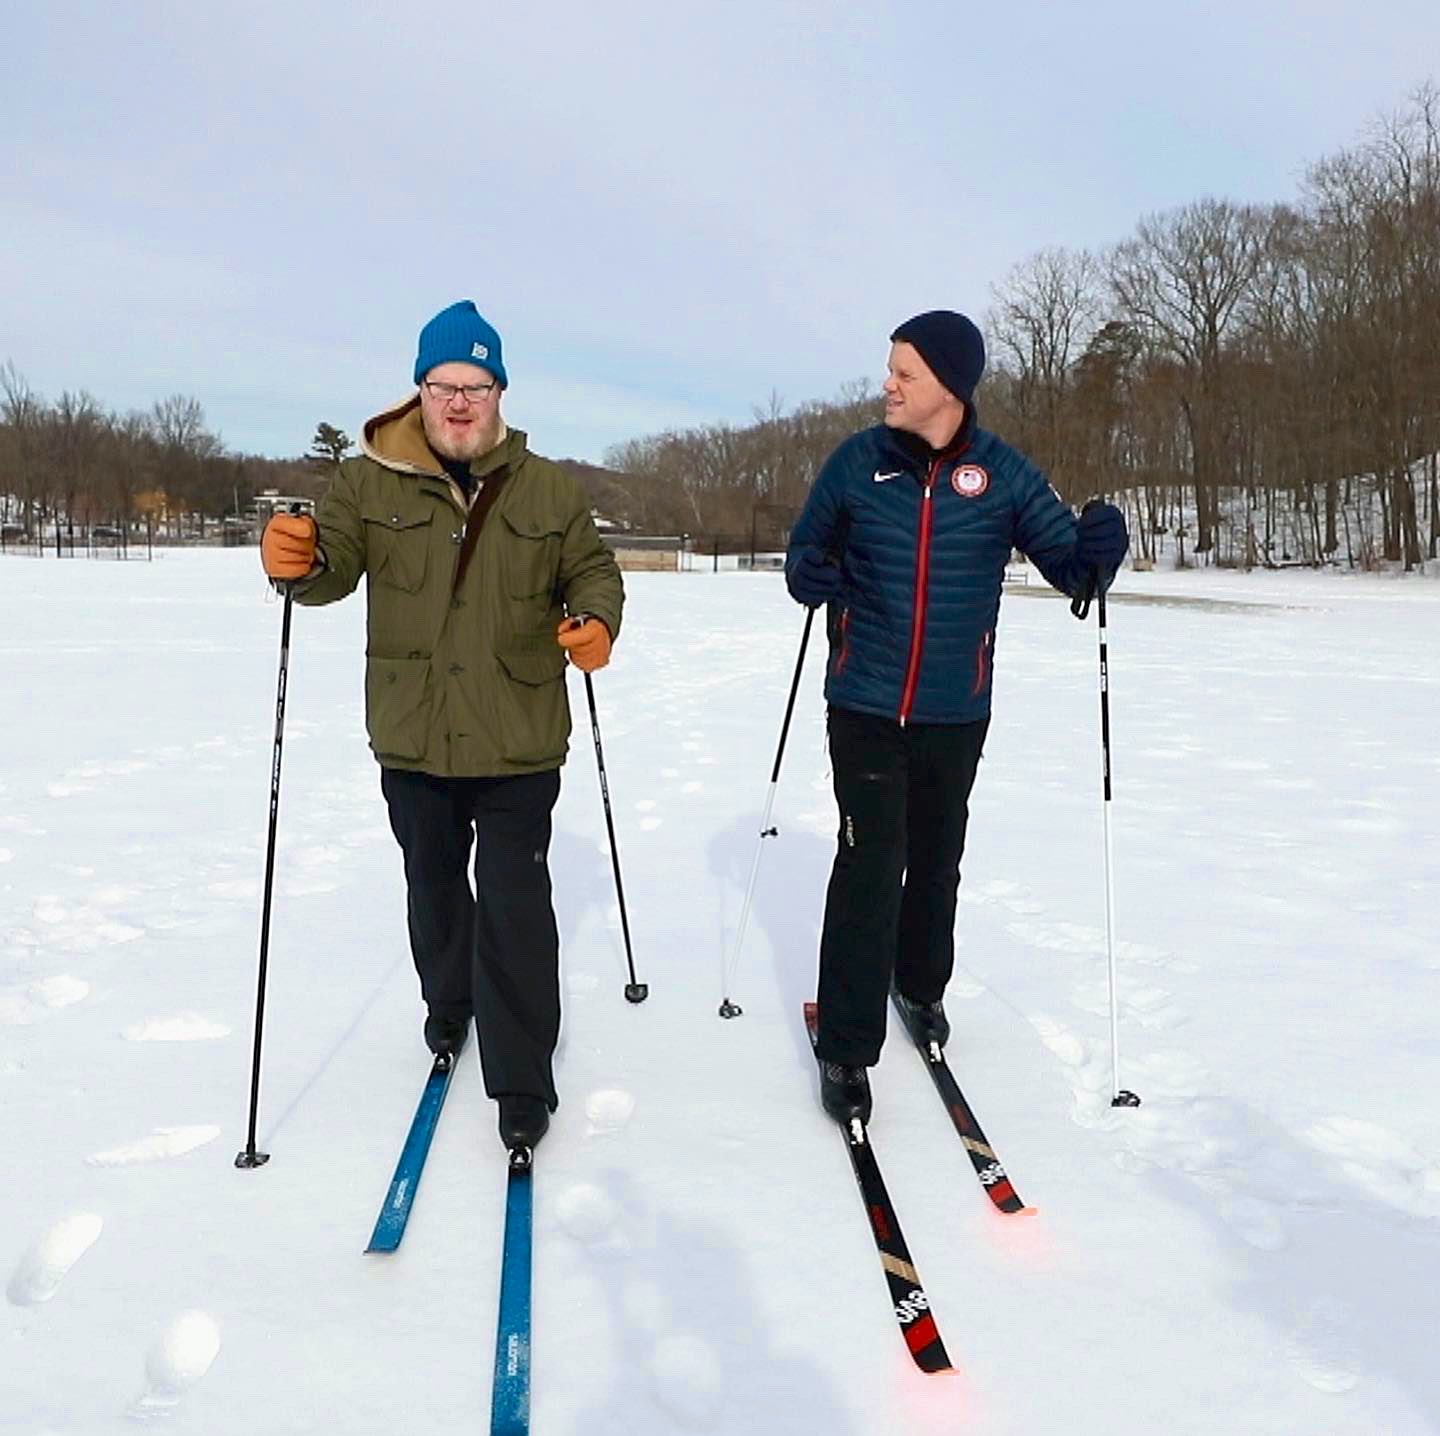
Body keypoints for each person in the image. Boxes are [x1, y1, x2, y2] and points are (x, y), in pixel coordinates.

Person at [260, 300, 624, 1151]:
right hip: (414, 731)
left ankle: (523, 1075)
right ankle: (450, 1006)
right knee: (432, 885)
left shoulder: (549, 487)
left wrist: (597, 621)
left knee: (515, 900)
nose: (459, 401)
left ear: (500, 391)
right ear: (418, 391)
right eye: (443, 385)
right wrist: (298, 561)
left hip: (518, 731)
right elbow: (330, 570)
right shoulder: (365, 482)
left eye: (476, 385)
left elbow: (592, 571)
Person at [784, 310, 1128, 1125]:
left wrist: (1101, 539)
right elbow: (804, 556)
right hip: (864, 701)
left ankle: (920, 986)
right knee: (871, 863)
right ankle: (845, 1043)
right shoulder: (857, 462)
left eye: (904, 372)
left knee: (937, 859)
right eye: (890, 368)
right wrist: (817, 573)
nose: (888, 385)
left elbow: (1072, 568)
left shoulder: (1002, 476)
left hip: (954, 710)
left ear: (949, 385)